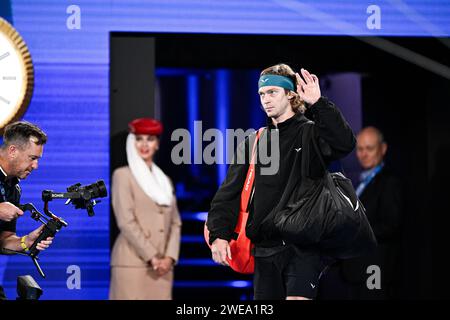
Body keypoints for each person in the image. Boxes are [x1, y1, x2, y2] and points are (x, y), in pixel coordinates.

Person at [207, 64, 356, 300]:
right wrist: (219, 234)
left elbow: (344, 143)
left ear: (290, 94)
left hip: (303, 247)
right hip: (265, 248)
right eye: (262, 94)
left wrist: (318, 104)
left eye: (273, 92)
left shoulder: (311, 134)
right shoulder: (254, 141)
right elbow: (229, 192)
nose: (266, 99)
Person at [109, 118, 182, 300]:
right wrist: (153, 257)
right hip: (133, 264)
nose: (144, 144)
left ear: (157, 144)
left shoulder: (164, 180)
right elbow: (126, 221)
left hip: (162, 268)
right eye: (139, 139)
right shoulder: (122, 176)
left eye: (150, 139)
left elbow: (175, 222)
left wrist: (169, 258)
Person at [340, 126, 403, 299]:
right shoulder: (360, 182)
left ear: (383, 149)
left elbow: (391, 224)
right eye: (360, 149)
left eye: (369, 148)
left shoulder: (389, 182)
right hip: (356, 270)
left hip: (375, 268)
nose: (364, 154)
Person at [0, 121, 53, 300]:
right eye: (32, 158)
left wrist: (26, 241)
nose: (36, 166)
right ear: (13, 151)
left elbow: (4, 241)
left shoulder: (14, 188)